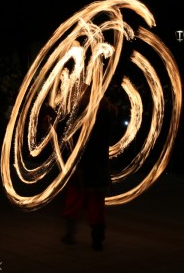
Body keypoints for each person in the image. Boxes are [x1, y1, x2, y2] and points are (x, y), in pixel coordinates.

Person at [60, 87, 117, 251]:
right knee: (96, 203)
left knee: (75, 199)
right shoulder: (107, 114)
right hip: (99, 166)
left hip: (83, 164)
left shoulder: (83, 116)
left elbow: (78, 141)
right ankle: (97, 240)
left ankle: (71, 235)